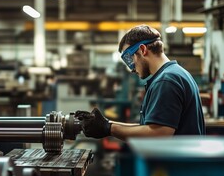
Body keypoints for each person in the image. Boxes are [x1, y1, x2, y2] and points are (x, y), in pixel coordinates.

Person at [75, 25, 205, 141]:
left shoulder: (166, 80)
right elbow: (149, 127)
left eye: (130, 59)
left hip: (177, 166)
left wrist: (109, 128)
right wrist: (105, 123)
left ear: (142, 50)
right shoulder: (175, 73)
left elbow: (159, 134)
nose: (131, 69)